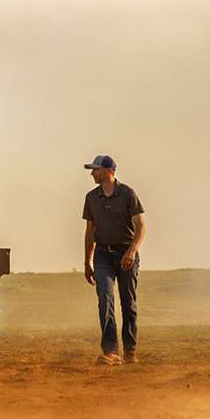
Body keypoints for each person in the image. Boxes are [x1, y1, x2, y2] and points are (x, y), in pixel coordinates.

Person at [82, 155, 146, 365]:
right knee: (105, 299)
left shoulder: (127, 194)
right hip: (102, 255)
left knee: (128, 302)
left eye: (96, 170)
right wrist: (87, 261)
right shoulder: (91, 197)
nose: (92, 173)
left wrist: (132, 251)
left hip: (126, 254)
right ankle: (110, 351)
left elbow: (141, 227)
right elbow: (90, 232)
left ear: (109, 171)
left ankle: (130, 349)